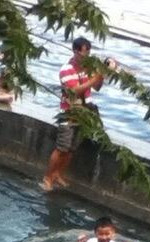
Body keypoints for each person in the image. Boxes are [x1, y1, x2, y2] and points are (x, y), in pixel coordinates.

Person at [41, 37, 118, 191]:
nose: (86, 57)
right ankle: (47, 177)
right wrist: (95, 77)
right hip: (69, 112)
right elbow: (75, 90)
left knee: (71, 149)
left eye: (88, 53)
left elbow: (97, 87)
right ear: (75, 51)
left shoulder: (88, 68)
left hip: (84, 112)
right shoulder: (66, 69)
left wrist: (102, 74)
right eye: (84, 53)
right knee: (62, 147)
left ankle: (58, 174)